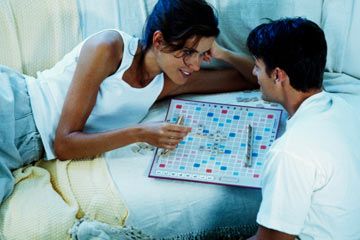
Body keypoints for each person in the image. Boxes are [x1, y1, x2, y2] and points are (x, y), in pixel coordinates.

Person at [0, 0, 258, 215]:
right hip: (14, 104)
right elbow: (65, 144)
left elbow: (256, 78)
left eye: (202, 54)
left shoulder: (169, 82)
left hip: (22, 146)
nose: (196, 65)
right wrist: (141, 133)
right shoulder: (109, 48)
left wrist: (223, 53)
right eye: (188, 52)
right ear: (159, 41)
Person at [215, 17, 360, 239]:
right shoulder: (346, 110)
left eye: (257, 66)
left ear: (277, 75)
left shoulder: (289, 153)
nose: (254, 74)